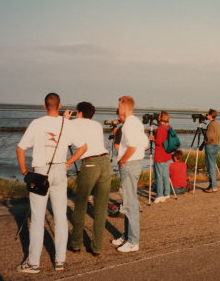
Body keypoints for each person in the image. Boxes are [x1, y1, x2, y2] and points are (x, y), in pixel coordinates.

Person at [16, 93, 87, 273]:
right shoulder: (66, 123)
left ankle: (33, 263)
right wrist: (69, 162)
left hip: (40, 171)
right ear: (60, 105)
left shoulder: (37, 123)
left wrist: (25, 171)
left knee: (38, 219)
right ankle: (59, 261)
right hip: (59, 171)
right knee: (60, 216)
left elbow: (20, 148)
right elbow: (83, 147)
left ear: (44, 106)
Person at [67, 102, 112, 256]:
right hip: (105, 162)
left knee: (80, 206)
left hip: (90, 163)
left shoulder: (71, 124)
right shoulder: (97, 125)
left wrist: (65, 119)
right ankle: (96, 247)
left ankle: (76, 244)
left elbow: (71, 142)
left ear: (79, 112)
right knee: (100, 208)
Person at [111, 96, 148, 253]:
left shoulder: (129, 125)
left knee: (130, 204)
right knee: (128, 201)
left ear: (125, 107)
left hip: (129, 165)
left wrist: (123, 160)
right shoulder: (136, 123)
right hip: (134, 164)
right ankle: (127, 235)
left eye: (119, 106)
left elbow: (132, 146)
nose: (118, 108)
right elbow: (145, 144)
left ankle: (133, 241)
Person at [149, 111, 172, 203]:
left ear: (161, 118)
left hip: (160, 156)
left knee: (158, 176)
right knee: (166, 175)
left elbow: (158, 142)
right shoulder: (169, 128)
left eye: (158, 116)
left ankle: (159, 195)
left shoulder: (160, 129)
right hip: (167, 155)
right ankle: (167, 193)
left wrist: (152, 138)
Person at [204, 109, 220, 193]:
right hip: (216, 146)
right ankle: (212, 185)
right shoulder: (216, 124)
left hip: (210, 146)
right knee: (212, 164)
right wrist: (217, 137)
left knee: (210, 166)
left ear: (210, 115)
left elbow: (209, 136)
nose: (207, 116)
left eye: (208, 114)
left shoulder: (211, 125)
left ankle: (213, 186)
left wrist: (207, 140)